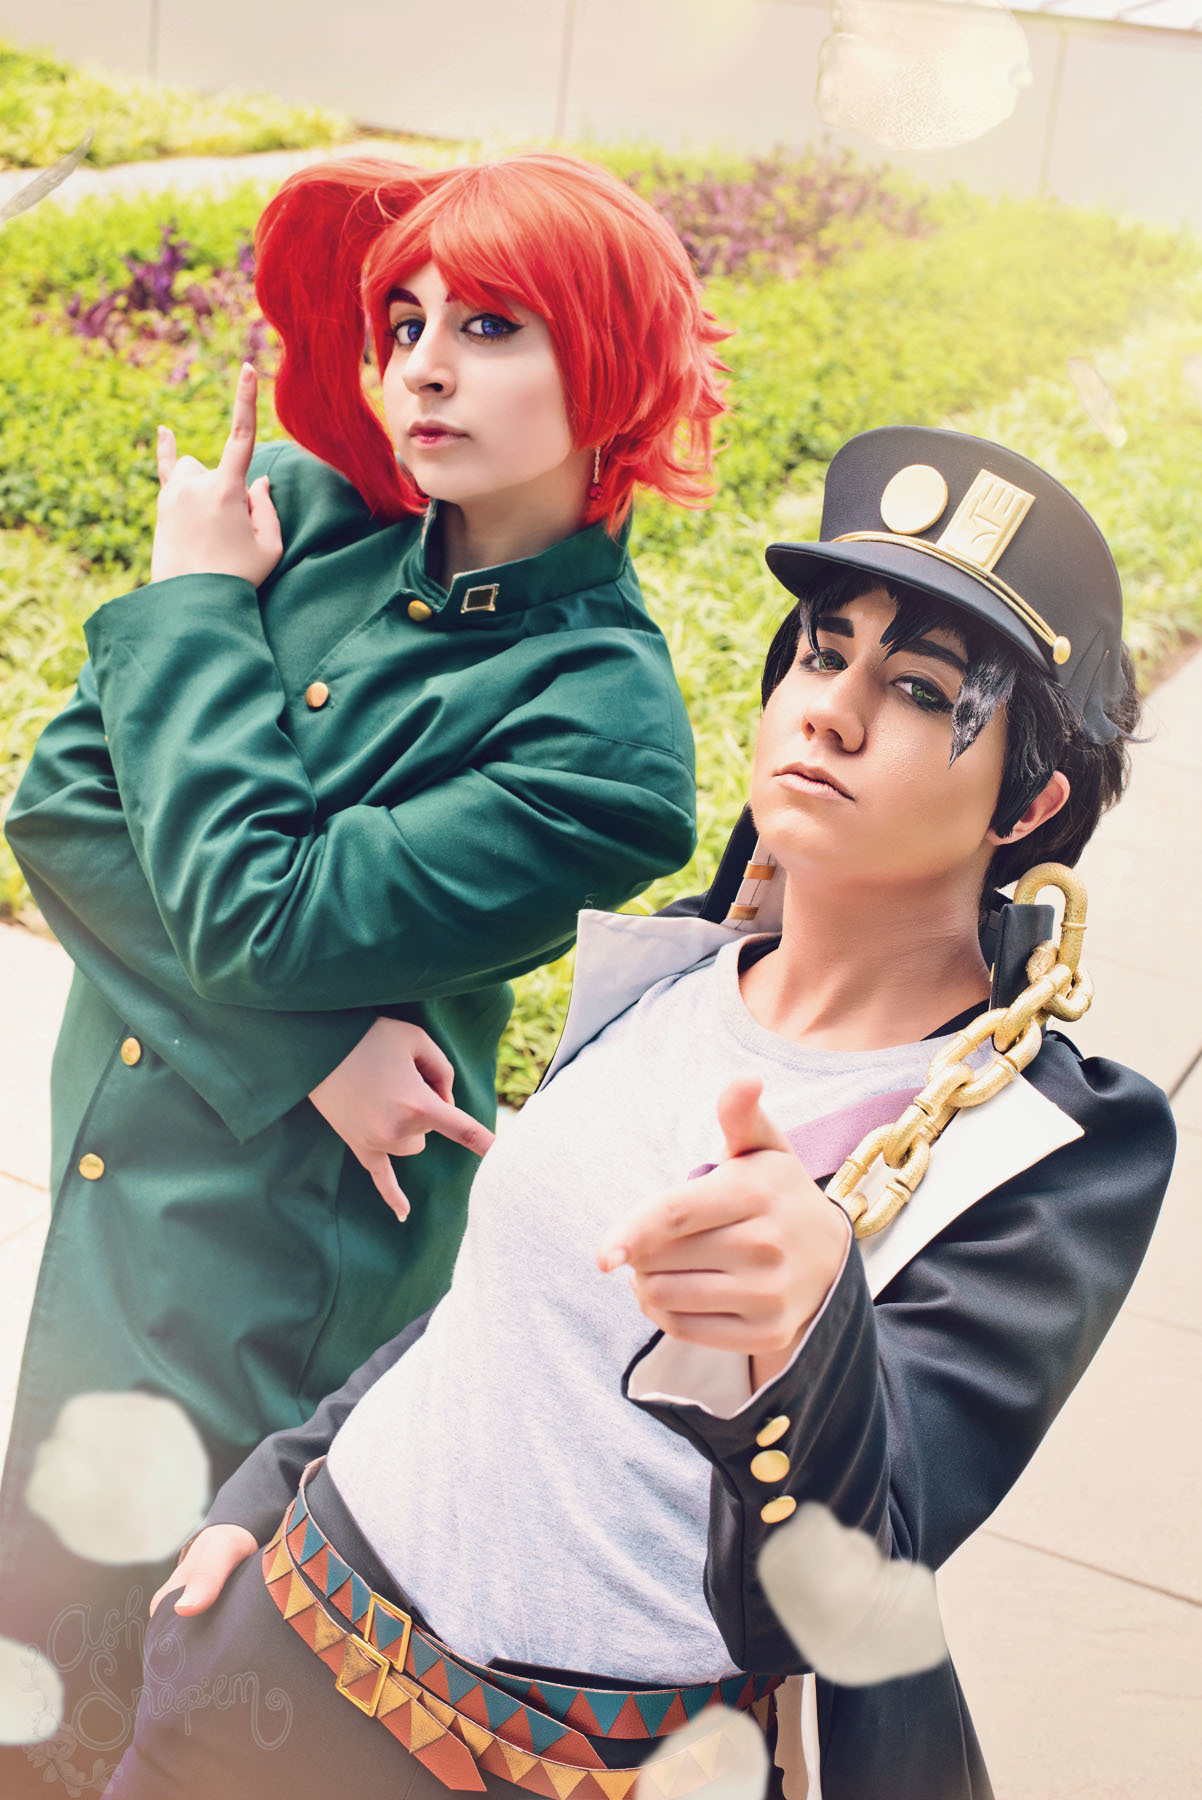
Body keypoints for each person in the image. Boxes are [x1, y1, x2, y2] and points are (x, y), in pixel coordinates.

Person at [101, 426, 1175, 1800]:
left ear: (1029, 802)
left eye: (917, 690)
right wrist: (272, 1486)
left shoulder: (1044, 1146)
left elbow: (857, 1584)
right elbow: (499, 1308)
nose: (831, 713)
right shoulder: (667, 973)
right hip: (278, 1650)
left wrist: (811, 1326)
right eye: (820, 655)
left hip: (564, 1766)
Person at [0, 150, 729, 1793]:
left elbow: (256, 916)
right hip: (136, 1174)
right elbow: (58, 806)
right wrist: (309, 1049)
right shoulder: (310, 511)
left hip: (276, 1257)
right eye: (404, 322)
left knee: (164, 1686)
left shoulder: (603, 741)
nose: (422, 368)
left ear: (611, 358)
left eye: (489, 325)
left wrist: (198, 599)